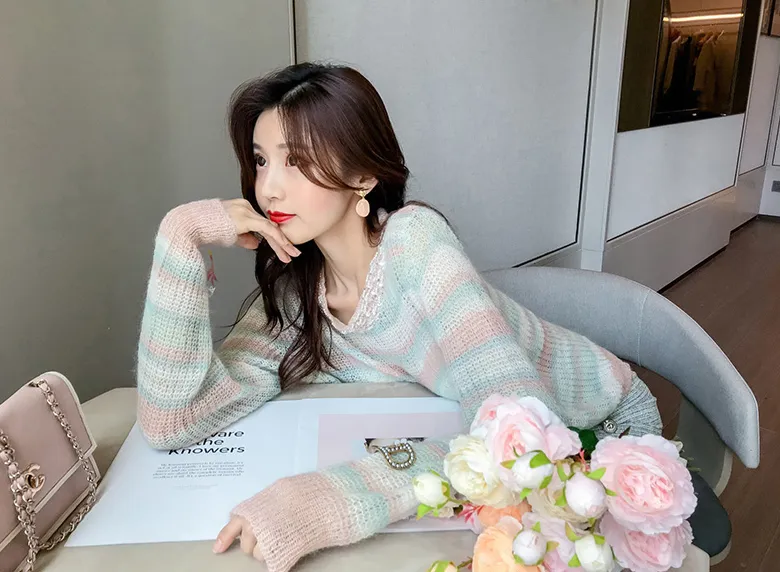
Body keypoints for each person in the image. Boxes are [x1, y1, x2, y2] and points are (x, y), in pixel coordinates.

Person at [136, 62, 662, 572]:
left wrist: (330, 498)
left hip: (599, 427)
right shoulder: (298, 293)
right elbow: (173, 421)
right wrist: (180, 236)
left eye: (294, 160)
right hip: (495, 447)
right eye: (260, 161)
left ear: (362, 176)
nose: (268, 188)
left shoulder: (414, 243)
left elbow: (520, 433)